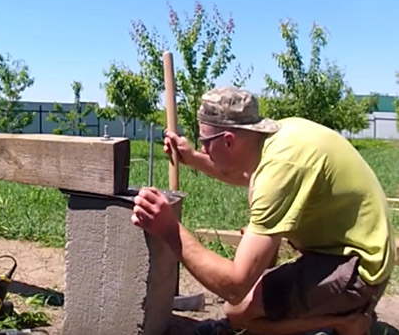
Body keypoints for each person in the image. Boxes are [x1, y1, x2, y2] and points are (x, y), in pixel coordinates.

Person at [132, 86, 395, 335]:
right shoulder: (279, 138)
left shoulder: (281, 168)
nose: (203, 149)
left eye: (205, 142)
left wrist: (169, 229)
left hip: (359, 269)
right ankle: (337, 309)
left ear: (229, 140)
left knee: (238, 311)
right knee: (254, 278)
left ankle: (347, 321)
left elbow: (235, 285)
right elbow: (246, 174)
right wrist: (193, 158)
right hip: (346, 251)